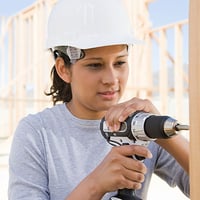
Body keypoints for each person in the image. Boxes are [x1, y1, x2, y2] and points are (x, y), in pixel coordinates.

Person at [8, 0, 189, 199]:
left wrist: (166, 135)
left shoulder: (141, 128)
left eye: (120, 62)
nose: (111, 79)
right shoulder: (36, 133)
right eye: (95, 65)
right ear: (63, 69)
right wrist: (96, 185)